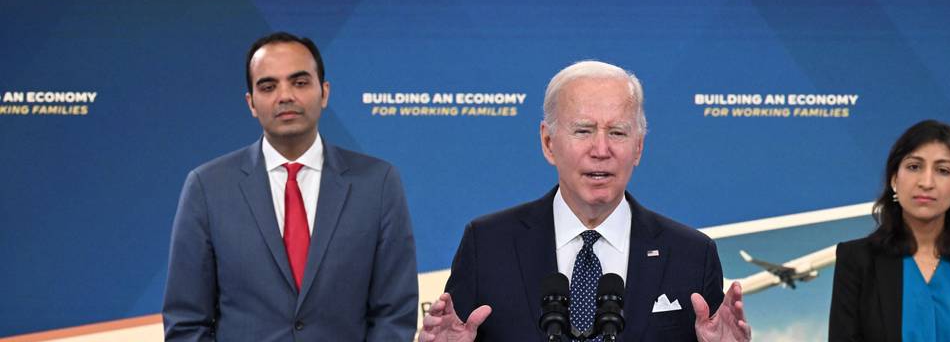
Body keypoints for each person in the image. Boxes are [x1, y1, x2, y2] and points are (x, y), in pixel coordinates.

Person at [419, 60, 751, 342]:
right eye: (583, 131)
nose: (601, 150)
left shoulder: (691, 254)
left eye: (618, 132)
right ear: (549, 143)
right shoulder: (488, 244)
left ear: (638, 147)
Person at [163, 32, 418, 341]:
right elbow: (187, 322)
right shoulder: (207, 187)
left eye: (299, 82)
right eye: (268, 86)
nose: (285, 96)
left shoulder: (378, 183)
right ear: (251, 103)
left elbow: (393, 315)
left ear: (324, 93)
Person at [829, 119, 950, 341]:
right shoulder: (856, 260)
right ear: (894, 179)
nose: (927, 182)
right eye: (914, 167)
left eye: (943, 170)